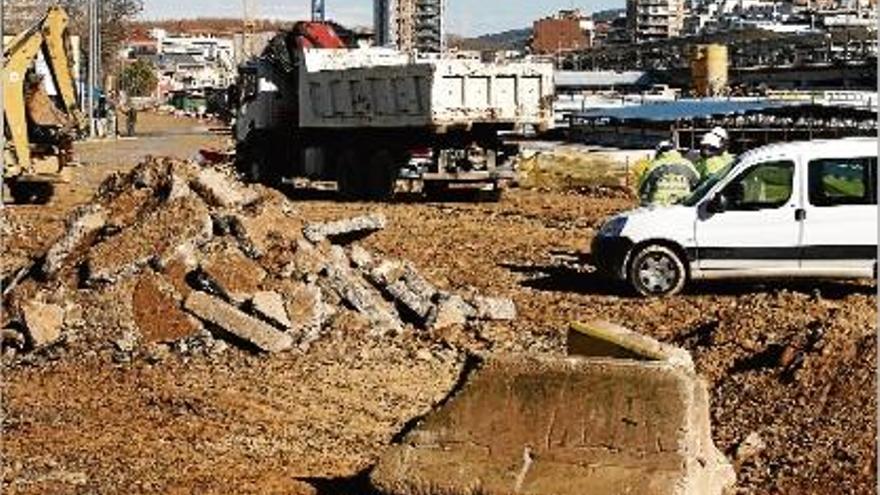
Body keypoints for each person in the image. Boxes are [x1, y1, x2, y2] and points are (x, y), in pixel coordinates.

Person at [637, 140, 700, 206]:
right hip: (682, 204)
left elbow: (642, 186)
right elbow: (697, 183)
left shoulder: (654, 166)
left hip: (659, 205)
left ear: (659, 152)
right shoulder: (688, 164)